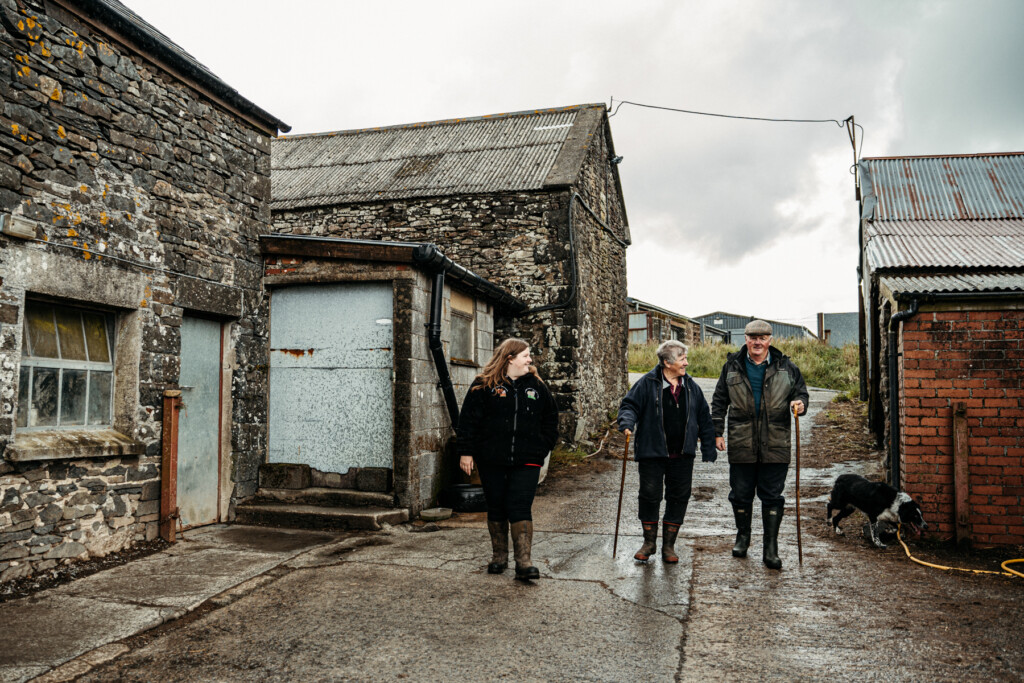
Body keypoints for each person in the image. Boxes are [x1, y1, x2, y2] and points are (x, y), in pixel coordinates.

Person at [456, 338, 559, 581]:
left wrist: (541, 449)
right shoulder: (483, 386)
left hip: (528, 460)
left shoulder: (537, 386)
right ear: (510, 358)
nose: (530, 360)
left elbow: (551, 420)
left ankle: (524, 562)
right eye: (525, 355)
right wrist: (467, 451)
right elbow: (468, 420)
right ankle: (499, 557)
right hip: (492, 459)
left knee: (520, 506)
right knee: (497, 505)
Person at [711, 320, 809, 570]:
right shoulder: (732, 366)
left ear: (770, 340)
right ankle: (742, 538)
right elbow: (719, 400)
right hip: (741, 440)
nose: (757, 342)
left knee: (772, 496)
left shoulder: (786, 367)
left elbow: (802, 394)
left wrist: (800, 404)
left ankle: (771, 548)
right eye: (752, 337)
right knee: (741, 494)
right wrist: (716, 432)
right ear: (745, 339)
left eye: (762, 337)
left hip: (776, 441)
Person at [617, 340, 717, 563]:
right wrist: (626, 423)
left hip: (683, 453)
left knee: (679, 496)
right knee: (650, 496)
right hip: (652, 452)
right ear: (666, 362)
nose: (686, 363)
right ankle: (649, 543)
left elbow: (704, 417)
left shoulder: (691, 386)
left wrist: (709, 445)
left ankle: (669, 546)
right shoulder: (646, 383)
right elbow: (629, 406)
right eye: (682, 359)